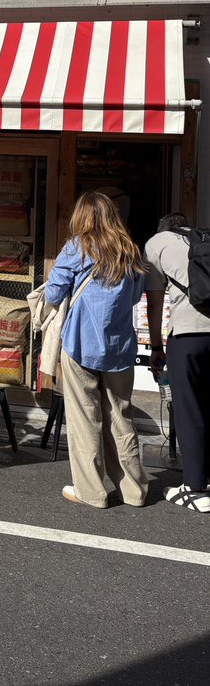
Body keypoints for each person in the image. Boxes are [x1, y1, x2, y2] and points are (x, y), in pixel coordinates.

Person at [45, 190, 149, 508]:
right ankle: (135, 491)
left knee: (85, 418)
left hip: (80, 343)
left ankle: (91, 491)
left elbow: (53, 294)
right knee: (121, 417)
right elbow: (133, 299)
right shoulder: (130, 250)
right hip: (118, 347)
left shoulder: (77, 247)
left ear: (82, 215)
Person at [144, 213, 210, 513]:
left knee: (189, 410)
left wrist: (156, 346)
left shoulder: (157, 243)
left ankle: (195, 487)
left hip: (189, 336)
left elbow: (155, 301)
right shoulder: (204, 240)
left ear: (162, 228)